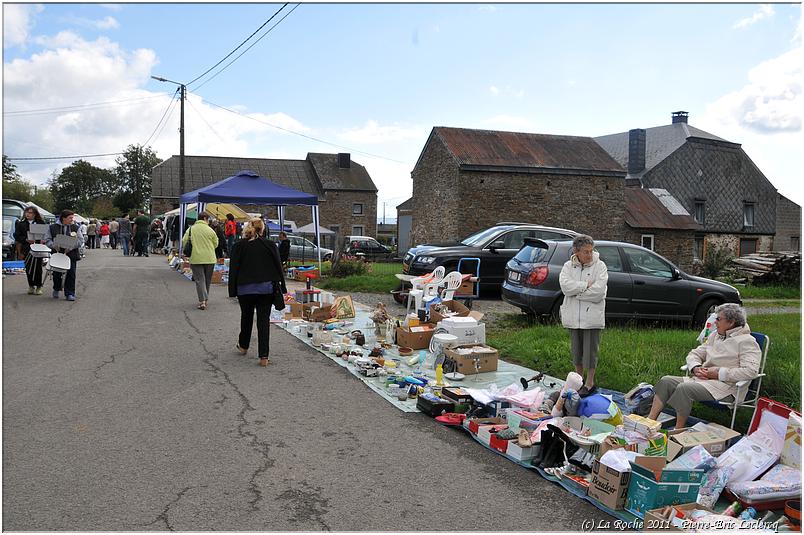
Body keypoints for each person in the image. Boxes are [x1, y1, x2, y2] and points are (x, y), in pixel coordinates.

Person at [648, 303, 761, 429]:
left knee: (684, 388)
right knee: (666, 381)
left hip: (726, 388)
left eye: (718, 319)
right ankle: (649, 423)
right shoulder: (715, 335)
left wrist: (719, 373)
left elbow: (751, 371)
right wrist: (695, 367)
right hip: (703, 380)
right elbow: (695, 353)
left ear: (731, 322)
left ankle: (678, 430)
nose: (715, 322)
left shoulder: (747, 341)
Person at [228, 218, 287, 367]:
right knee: (263, 321)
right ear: (262, 230)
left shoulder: (238, 246)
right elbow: (278, 266)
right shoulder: (269, 245)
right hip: (266, 289)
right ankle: (264, 356)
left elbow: (233, 269)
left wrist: (232, 289)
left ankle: (243, 346)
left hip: (245, 288)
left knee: (246, 317)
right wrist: (282, 286)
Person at [559, 234, 608, 397]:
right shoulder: (568, 266)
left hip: (592, 317)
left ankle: (590, 382)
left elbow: (599, 292)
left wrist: (577, 293)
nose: (589, 254)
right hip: (573, 316)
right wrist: (585, 285)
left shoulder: (600, 266)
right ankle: (579, 380)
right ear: (576, 251)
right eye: (586, 252)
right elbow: (565, 287)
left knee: (590, 352)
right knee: (577, 351)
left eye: (591, 251)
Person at [181, 212, 219, 310]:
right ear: (205, 218)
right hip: (210, 258)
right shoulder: (210, 230)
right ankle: (205, 300)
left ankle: (202, 301)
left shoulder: (190, 229)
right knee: (207, 280)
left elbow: (184, 241)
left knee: (199, 280)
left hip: (196, 257)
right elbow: (216, 243)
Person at [44, 209, 85, 301]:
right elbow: (47, 239)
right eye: (70, 218)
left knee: (71, 274)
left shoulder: (75, 227)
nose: (72, 220)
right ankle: (56, 288)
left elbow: (81, 240)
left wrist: (72, 246)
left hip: (71, 254)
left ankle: (70, 293)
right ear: (63, 218)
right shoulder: (52, 227)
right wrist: (53, 245)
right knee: (57, 273)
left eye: (72, 218)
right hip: (57, 253)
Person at [14, 206, 47, 294]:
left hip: (38, 248)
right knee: (29, 268)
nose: (28, 214)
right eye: (27, 212)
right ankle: (31, 286)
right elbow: (17, 237)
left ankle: (39, 286)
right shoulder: (21, 224)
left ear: (35, 214)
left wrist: (42, 240)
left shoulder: (41, 223)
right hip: (26, 248)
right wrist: (25, 240)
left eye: (30, 212)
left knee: (38, 268)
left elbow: (45, 235)